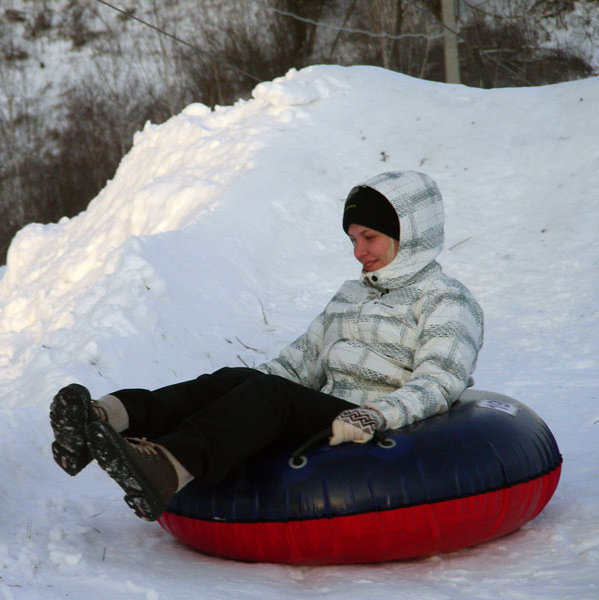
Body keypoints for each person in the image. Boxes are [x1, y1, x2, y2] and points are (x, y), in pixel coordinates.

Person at [49, 170, 484, 522]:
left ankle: (166, 468)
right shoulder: (352, 295)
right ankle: (104, 420)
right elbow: (299, 363)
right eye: (353, 239)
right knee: (238, 379)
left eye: (368, 237)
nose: (358, 252)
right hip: (330, 410)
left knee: (269, 395)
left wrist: (375, 414)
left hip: (379, 422)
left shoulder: (446, 299)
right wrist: (238, 392)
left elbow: (441, 379)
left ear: (409, 234)